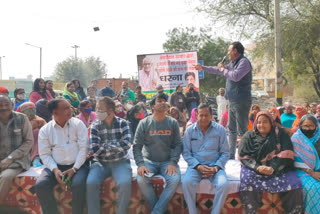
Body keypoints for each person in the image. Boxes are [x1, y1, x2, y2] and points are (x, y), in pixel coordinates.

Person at [195, 41, 252, 160]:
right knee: (231, 128)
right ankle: (231, 154)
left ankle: (245, 154)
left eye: (229, 50)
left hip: (241, 100)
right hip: (231, 100)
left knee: (242, 129)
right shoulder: (232, 63)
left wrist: (222, 70)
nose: (228, 53)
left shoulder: (244, 62)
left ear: (235, 51)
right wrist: (203, 68)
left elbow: (235, 76)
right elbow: (217, 69)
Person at [238, 111, 303, 214]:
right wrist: (258, 167)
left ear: (271, 123)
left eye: (265, 122)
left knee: (294, 183)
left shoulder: (281, 134)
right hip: (256, 169)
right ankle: (251, 211)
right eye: (259, 122)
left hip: (279, 168)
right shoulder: (249, 136)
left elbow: (287, 153)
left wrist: (273, 167)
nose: (261, 125)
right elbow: (243, 156)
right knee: (248, 180)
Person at [34, 98, 89, 214]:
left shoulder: (78, 124)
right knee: (40, 185)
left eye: (70, 107)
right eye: (66, 108)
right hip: (55, 166)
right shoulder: (45, 130)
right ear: (55, 112)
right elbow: (45, 154)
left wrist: (74, 169)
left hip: (78, 166)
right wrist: (55, 170)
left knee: (79, 185)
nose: (70, 110)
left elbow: (84, 149)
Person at [133, 93, 183, 214]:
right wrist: (140, 164)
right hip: (149, 162)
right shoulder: (144, 123)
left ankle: (156, 211)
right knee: (141, 179)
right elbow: (136, 146)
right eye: (159, 101)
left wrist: (172, 162)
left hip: (167, 162)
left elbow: (178, 145)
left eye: (164, 101)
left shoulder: (173, 123)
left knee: (175, 179)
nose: (163, 103)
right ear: (152, 106)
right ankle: (159, 210)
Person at [87, 97, 132, 214]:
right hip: (100, 162)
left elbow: (127, 143)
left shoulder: (123, 123)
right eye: (96, 109)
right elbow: (95, 150)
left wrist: (104, 146)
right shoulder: (95, 126)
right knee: (91, 183)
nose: (97, 112)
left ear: (111, 111)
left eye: (100, 109)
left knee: (125, 183)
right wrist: (117, 145)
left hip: (120, 161)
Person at [182, 104, 229, 214]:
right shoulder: (189, 131)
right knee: (186, 182)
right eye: (201, 115)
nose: (203, 118)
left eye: (206, 115)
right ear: (196, 115)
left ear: (211, 115)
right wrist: (198, 166)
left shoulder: (220, 130)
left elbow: (225, 153)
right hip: (196, 167)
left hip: (215, 166)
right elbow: (186, 153)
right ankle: (193, 212)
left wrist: (216, 168)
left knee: (224, 184)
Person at [0, 95, 34, 203]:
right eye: (0, 105)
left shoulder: (22, 118)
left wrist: (11, 157)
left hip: (17, 160)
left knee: (6, 177)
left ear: (13, 106)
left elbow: (29, 141)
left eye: (6, 105)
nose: (3, 108)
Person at [292, 114, 320, 213]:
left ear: (316, 126)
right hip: (301, 171)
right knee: (314, 188)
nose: (308, 128)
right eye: (306, 126)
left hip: (318, 170)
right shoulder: (296, 139)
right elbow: (296, 160)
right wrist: (312, 173)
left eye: (311, 126)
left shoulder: (318, 137)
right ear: (301, 126)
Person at [17, 102, 46, 167]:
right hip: (21, 142)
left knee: (37, 132)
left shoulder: (39, 120)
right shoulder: (17, 119)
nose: (32, 112)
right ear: (23, 112)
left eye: (33, 110)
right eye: (29, 110)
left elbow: (46, 130)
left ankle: (35, 157)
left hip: (34, 144)